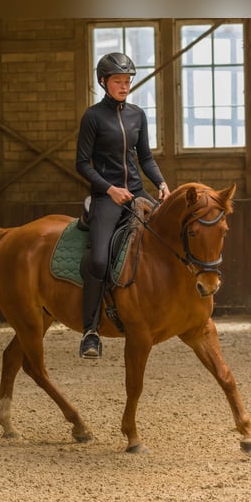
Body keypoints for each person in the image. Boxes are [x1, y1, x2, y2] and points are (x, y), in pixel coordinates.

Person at [75, 52, 171, 359]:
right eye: (118, 81)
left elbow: (145, 158)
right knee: (100, 260)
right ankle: (90, 331)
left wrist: (160, 182)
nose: (124, 86)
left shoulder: (137, 115)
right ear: (103, 82)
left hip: (137, 193)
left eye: (127, 81)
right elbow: (82, 164)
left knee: (166, 243)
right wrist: (109, 189)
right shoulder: (92, 117)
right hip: (107, 197)